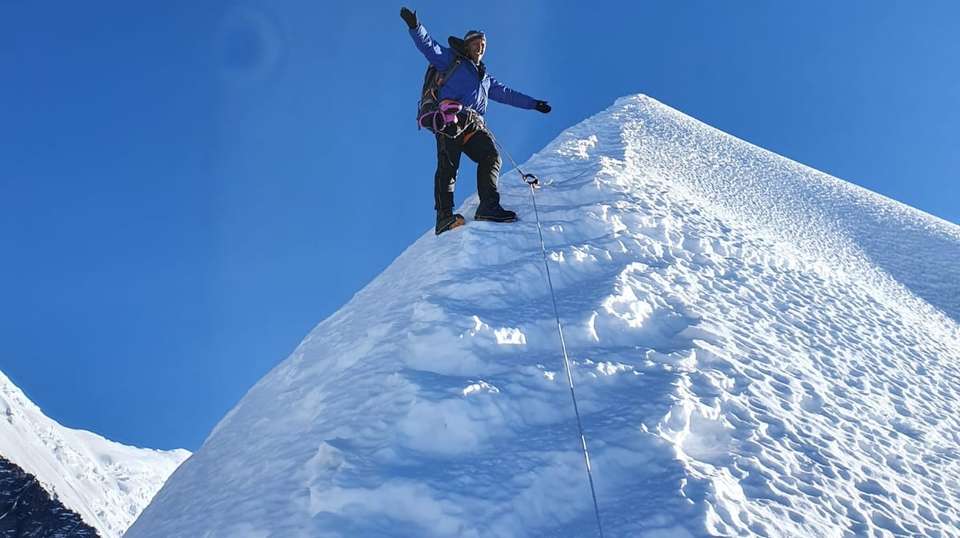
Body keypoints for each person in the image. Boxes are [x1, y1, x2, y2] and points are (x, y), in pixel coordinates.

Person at [400, 7, 552, 235]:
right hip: (449, 118)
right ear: (466, 45)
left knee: (491, 156)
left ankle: (488, 206)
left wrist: (534, 103)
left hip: (473, 124)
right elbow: (429, 47)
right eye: (476, 43)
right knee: (448, 166)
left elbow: (507, 94)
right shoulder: (452, 60)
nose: (480, 47)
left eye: (483, 45)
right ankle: (444, 217)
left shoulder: (484, 78)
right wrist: (415, 26)